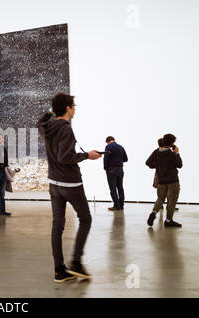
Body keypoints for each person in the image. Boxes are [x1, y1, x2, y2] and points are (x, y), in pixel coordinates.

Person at [37, 92, 101, 283]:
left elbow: (40, 121)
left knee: (58, 225)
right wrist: (87, 156)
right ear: (67, 108)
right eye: (73, 105)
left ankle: (59, 270)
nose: (75, 109)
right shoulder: (65, 129)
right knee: (86, 219)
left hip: (54, 183)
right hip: (70, 183)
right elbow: (65, 157)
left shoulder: (46, 126)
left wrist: (51, 111)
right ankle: (76, 263)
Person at [146, 133, 183, 227]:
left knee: (160, 198)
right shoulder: (171, 153)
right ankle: (168, 220)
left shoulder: (156, 152)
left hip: (161, 180)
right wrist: (177, 153)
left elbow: (148, 163)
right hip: (172, 181)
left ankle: (154, 212)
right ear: (172, 143)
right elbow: (179, 165)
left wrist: (158, 166)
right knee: (172, 200)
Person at [103, 136, 128, 211]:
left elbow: (106, 158)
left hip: (111, 170)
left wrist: (105, 167)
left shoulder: (108, 146)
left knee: (113, 189)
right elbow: (126, 159)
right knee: (120, 188)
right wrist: (118, 161)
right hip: (120, 170)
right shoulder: (121, 147)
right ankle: (121, 205)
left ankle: (116, 206)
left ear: (107, 141)